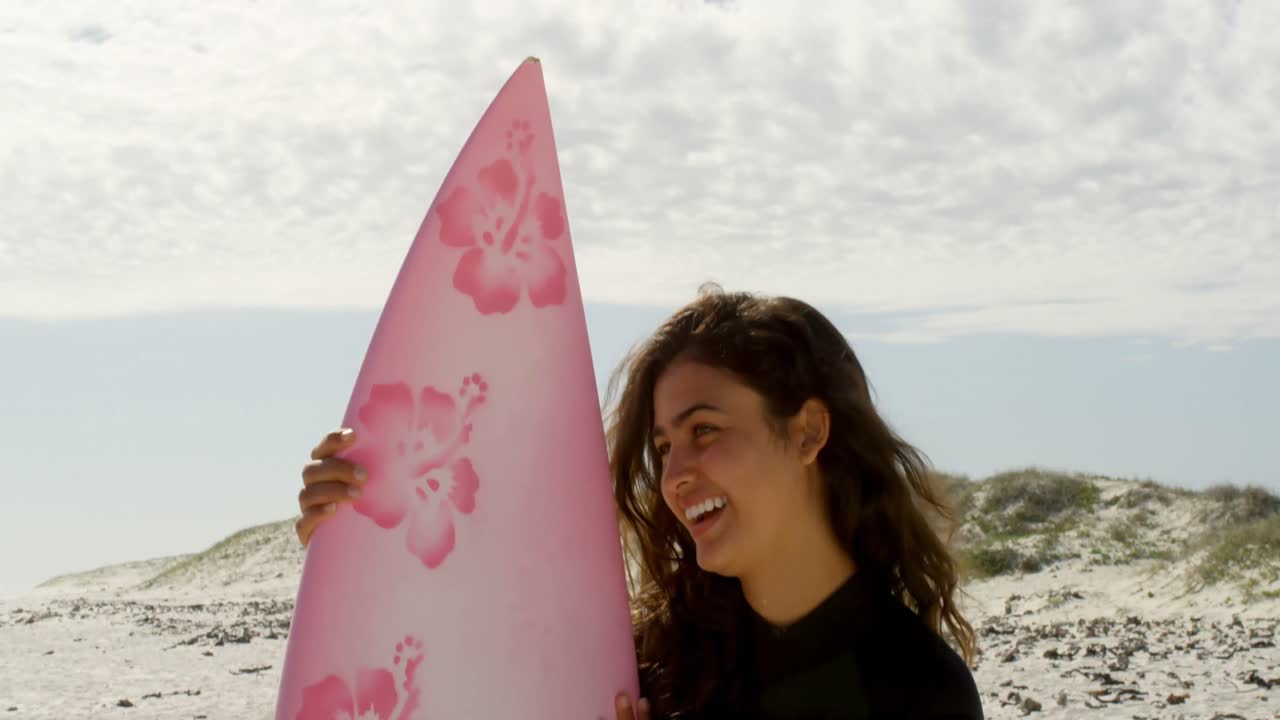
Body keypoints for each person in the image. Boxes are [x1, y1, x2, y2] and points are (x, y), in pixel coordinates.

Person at [296, 286, 985, 720]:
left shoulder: (919, 692)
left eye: (704, 431)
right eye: (663, 446)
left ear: (806, 432)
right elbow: (464, 663)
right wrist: (362, 533)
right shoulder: (658, 666)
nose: (675, 474)